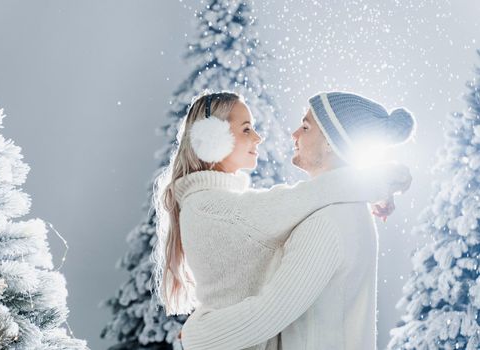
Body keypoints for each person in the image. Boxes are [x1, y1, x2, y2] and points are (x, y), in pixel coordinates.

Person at [152, 91, 412, 349]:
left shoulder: (326, 220)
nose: (258, 137)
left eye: (306, 127)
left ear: (331, 142)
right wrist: (376, 183)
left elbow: (270, 311)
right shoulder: (209, 208)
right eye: (246, 130)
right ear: (211, 139)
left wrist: (198, 333)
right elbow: (298, 198)